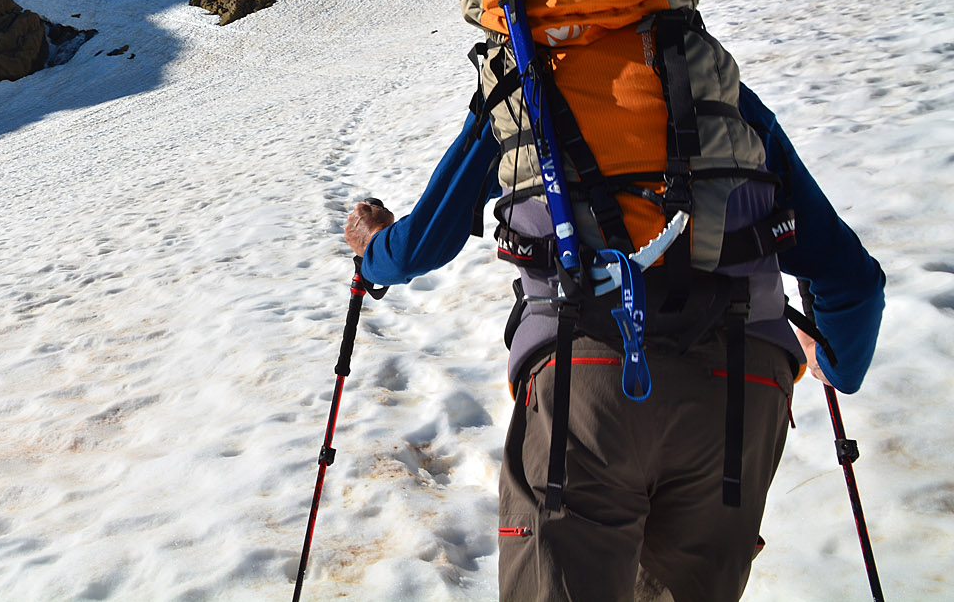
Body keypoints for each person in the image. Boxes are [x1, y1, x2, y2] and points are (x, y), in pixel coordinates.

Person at [343, 80, 885, 602]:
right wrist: (833, 362)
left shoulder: (518, 96)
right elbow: (851, 279)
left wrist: (372, 249)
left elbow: (417, 247)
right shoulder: (721, 93)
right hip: (740, 388)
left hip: (583, 388)